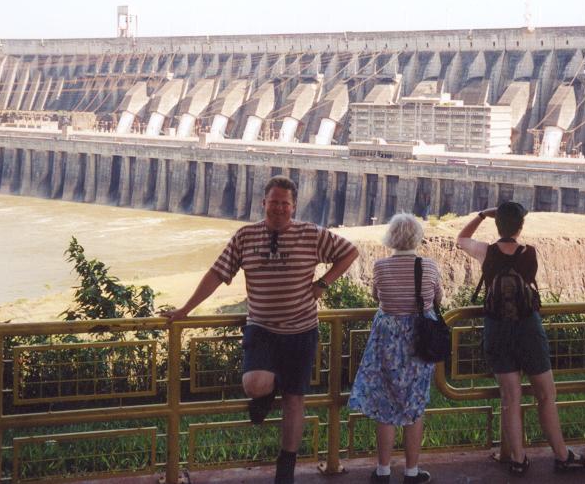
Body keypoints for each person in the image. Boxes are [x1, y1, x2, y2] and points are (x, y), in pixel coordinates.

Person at [162, 175, 359, 484]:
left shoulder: (311, 234)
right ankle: (265, 394)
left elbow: (350, 252)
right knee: (254, 384)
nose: (279, 208)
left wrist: (323, 283)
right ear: (263, 203)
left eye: (285, 203)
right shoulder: (245, 236)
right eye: (273, 202)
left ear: (294, 206)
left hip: (301, 330)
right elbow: (217, 273)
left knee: (294, 398)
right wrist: (185, 310)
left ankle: (286, 468)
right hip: (262, 328)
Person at [457, 202, 585, 477]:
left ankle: (518, 459)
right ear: (520, 226)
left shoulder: (486, 252)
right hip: (528, 328)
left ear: (497, 225)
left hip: (497, 329)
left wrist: (482, 215)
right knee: (546, 395)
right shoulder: (529, 253)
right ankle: (563, 456)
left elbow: (461, 239)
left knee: (510, 398)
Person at [348, 213, 444, 484]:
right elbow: (437, 298)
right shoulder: (429, 266)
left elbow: (376, 296)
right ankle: (412, 472)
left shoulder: (380, 267)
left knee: (385, 406)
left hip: (387, 344)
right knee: (414, 407)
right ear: (417, 238)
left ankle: (383, 471)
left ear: (391, 237)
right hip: (419, 343)